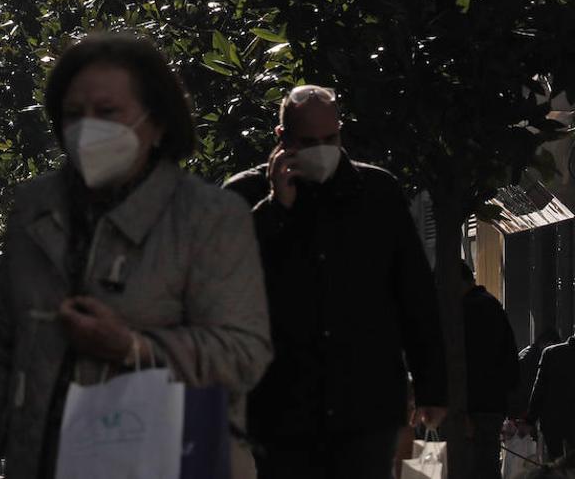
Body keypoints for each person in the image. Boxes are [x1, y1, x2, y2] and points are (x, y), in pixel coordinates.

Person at [0, 34, 273, 479]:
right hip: (44, 458)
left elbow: (244, 352)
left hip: (166, 458)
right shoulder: (35, 208)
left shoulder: (210, 217)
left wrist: (133, 347)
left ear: (157, 121)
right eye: (73, 115)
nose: (88, 128)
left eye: (107, 113)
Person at [231, 85, 447, 479]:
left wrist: (432, 387)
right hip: (282, 407)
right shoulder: (244, 195)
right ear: (282, 139)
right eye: (308, 141)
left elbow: (413, 293)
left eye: (330, 139)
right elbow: (223, 279)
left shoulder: (377, 193)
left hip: (365, 403)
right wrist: (276, 209)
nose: (321, 149)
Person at [459, 262, 519, 479]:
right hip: (493, 405)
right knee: (488, 465)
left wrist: (463, 410)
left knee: (469, 466)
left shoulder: (464, 311)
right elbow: (510, 358)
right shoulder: (493, 305)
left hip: (471, 407)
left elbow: (466, 363)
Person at [528, 330, 575, 462]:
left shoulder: (551, 353)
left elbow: (539, 389)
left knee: (554, 464)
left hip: (553, 423)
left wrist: (530, 419)